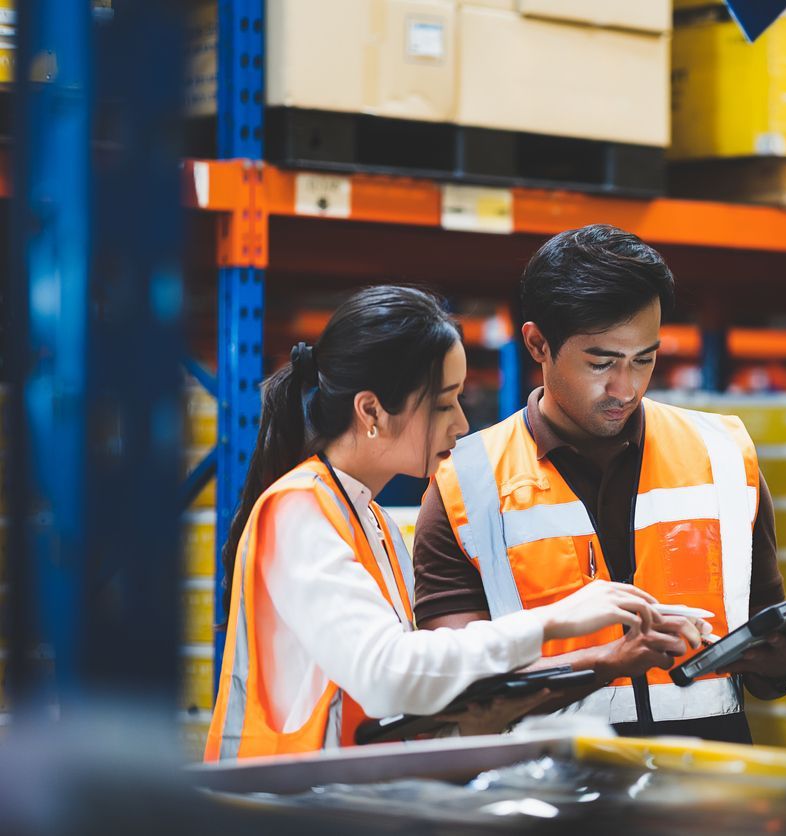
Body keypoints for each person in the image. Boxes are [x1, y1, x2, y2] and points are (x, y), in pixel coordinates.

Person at [204, 285, 701, 761]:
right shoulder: (297, 509)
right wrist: (552, 619)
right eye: (443, 403)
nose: (461, 424)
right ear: (371, 411)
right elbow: (385, 673)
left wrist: (482, 720)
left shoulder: (369, 519)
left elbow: (381, 714)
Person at [412, 226, 786, 744]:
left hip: (703, 796)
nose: (624, 388)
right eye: (601, 362)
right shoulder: (465, 486)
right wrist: (607, 662)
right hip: (548, 799)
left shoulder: (724, 456)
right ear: (538, 343)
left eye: (644, 359)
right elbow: (453, 688)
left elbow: (764, 656)